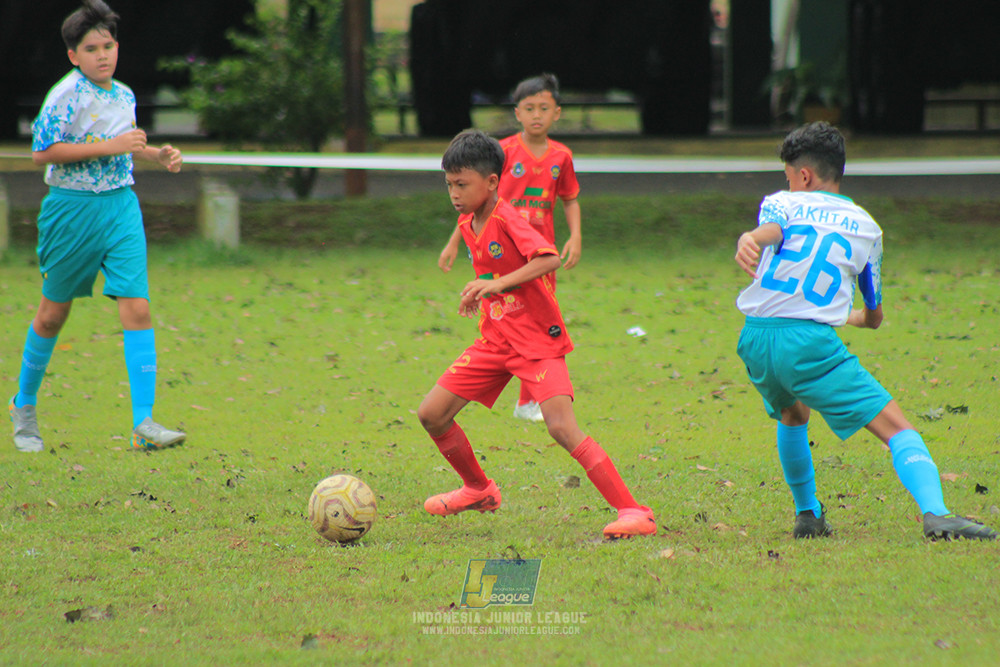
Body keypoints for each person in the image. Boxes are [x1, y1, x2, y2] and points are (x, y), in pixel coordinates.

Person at [734, 121, 996, 541]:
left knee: (793, 411)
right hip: (807, 344)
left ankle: (808, 515)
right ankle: (937, 513)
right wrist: (849, 316)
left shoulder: (782, 202)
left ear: (803, 176)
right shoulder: (866, 228)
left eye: (788, 177)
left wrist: (750, 237)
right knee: (899, 429)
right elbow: (873, 316)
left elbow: (775, 231)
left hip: (756, 338)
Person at [418, 129, 655, 539]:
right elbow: (491, 271)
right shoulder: (467, 220)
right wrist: (481, 290)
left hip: (536, 343)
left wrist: (495, 284)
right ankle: (478, 489)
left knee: (561, 427)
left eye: (462, 184)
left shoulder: (509, 217)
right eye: (449, 185)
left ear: (492, 182)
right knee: (432, 414)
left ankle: (633, 510)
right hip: (495, 340)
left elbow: (547, 259)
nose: (454, 193)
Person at [9, 0, 186, 453]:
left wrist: (155, 154)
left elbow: (124, 144)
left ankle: (143, 424)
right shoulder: (64, 96)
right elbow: (42, 153)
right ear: (73, 55)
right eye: (91, 48)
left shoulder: (123, 94)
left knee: (138, 308)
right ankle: (24, 405)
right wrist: (111, 145)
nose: (102, 55)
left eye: (108, 46)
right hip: (72, 211)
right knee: (53, 314)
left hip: (120, 207)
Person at [438, 73, 581, 423]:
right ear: (517, 113)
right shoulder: (500, 152)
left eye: (544, 108)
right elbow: (472, 206)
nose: (536, 116)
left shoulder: (561, 156)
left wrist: (575, 235)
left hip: (537, 253)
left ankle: (528, 399)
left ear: (556, 113)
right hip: (504, 249)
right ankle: (523, 396)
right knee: (509, 313)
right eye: (529, 108)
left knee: (536, 315)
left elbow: (569, 199)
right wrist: (454, 242)